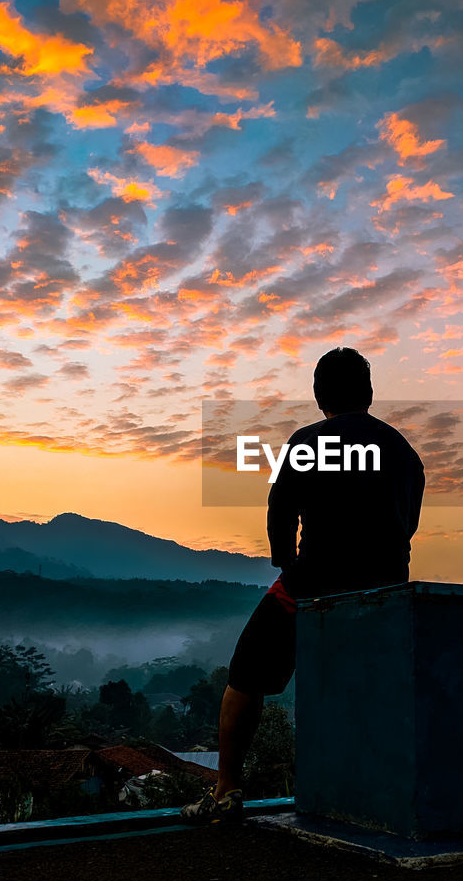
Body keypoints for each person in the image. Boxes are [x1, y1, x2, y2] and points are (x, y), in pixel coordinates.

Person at [180, 347, 424, 824]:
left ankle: (227, 790)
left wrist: (287, 564)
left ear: (319, 396)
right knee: (371, 690)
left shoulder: (310, 442)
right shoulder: (404, 453)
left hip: (313, 585)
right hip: (386, 592)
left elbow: (280, 512)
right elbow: (408, 524)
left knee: (246, 675)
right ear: (369, 393)